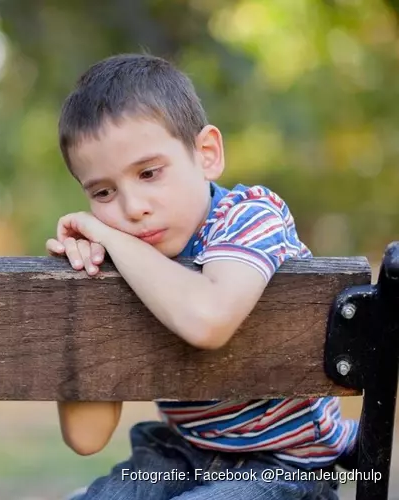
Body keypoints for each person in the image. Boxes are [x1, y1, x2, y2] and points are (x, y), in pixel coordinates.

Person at [45, 53, 357, 499]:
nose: (133, 208)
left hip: (287, 466)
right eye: (103, 192)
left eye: (149, 173)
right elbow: (87, 436)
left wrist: (110, 237)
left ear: (206, 154)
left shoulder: (249, 215)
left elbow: (208, 319)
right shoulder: (120, 255)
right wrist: (84, 281)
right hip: (179, 455)